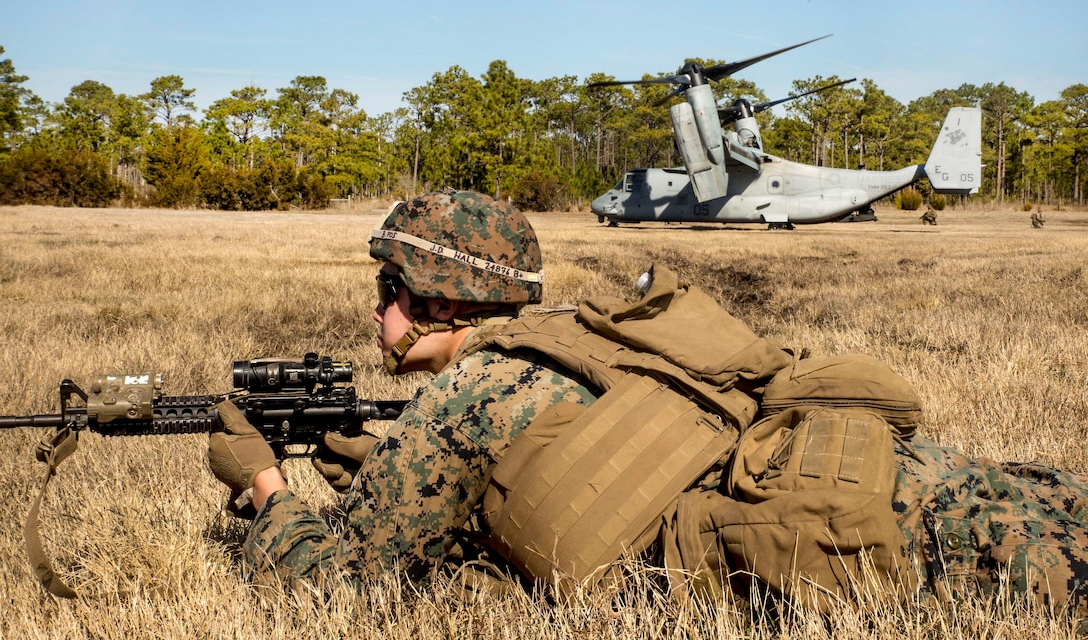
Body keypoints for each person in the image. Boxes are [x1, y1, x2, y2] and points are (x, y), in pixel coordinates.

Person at [207, 188, 1088, 618]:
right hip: (920, 477)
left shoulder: (462, 402)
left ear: (442, 300)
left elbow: (338, 593)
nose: (377, 307)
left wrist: (265, 487)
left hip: (888, 544)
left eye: (390, 286)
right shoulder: (575, 330)